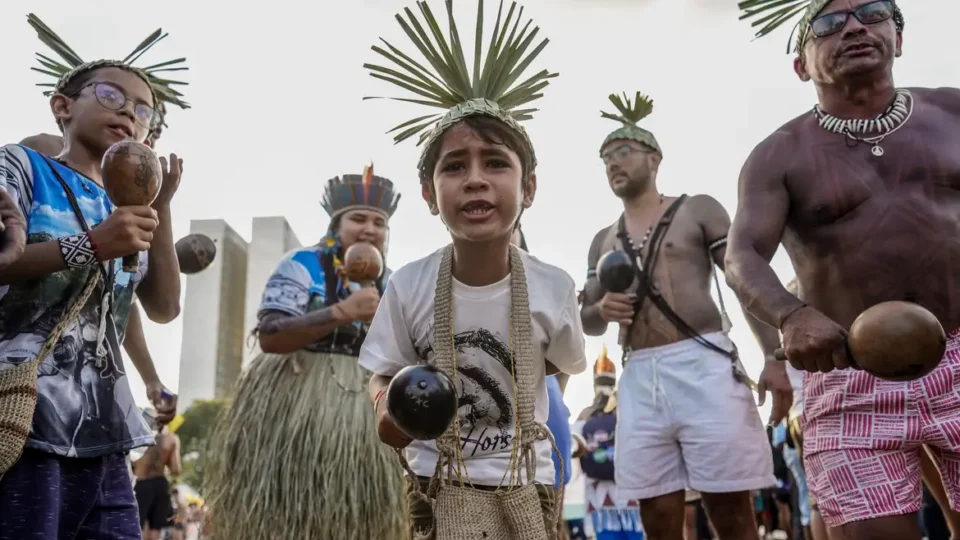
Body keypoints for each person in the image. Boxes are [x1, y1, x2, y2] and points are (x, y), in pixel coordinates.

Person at [727, 1, 960, 538]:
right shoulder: (778, 155)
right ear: (801, 65)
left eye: (872, 11)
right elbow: (741, 256)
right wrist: (791, 316)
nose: (854, 26)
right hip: (848, 376)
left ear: (897, 39)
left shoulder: (952, 114)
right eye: (828, 23)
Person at [359, 2, 586, 538]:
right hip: (433, 485)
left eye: (496, 162)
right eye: (454, 166)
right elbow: (381, 370)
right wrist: (384, 409)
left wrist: (516, 407)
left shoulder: (554, 287)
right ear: (429, 195)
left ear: (528, 188)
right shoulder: (409, 284)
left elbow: (562, 367)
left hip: (527, 481)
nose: (475, 180)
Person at [579, 91, 785, 540]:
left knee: (730, 507)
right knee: (656, 512)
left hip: (703, 361)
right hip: (640, 373)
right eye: (606, 158)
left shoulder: (698, 208)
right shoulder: (601, 240)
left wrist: (774, 356)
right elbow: (588, 320)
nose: (613, 163)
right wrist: (600, 308)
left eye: (623, 152)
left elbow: (743, 280)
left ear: (654, 157)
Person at [0, 56, 182, 537]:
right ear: (62, 106)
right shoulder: (21, 166)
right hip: (22, 415)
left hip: (105, 435)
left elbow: (162, 308)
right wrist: (93, 244)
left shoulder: (124, 205)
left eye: (144, 111)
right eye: (110, 95)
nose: (129, 112)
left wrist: (159, 206)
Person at [203, 165, 407, 540]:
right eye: (358, 219)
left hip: (365, 409)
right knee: (285, 515)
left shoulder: (394, 282)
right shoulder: (302, 265)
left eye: (379, 223)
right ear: (335, 226)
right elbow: (270, 334)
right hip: (295, 401)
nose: (369, 229)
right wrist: (343, 312)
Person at [571, 346, 645, 540]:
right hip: (630, 495)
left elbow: (573, 452)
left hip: (599, 500)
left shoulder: (586, 416)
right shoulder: (626, 412)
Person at [133, 414, 182, 540]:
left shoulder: (139, 433)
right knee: (156, 527)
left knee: (139, 524)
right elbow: (176, 468)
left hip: (141, 483)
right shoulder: (172, 439)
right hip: (160, 483)